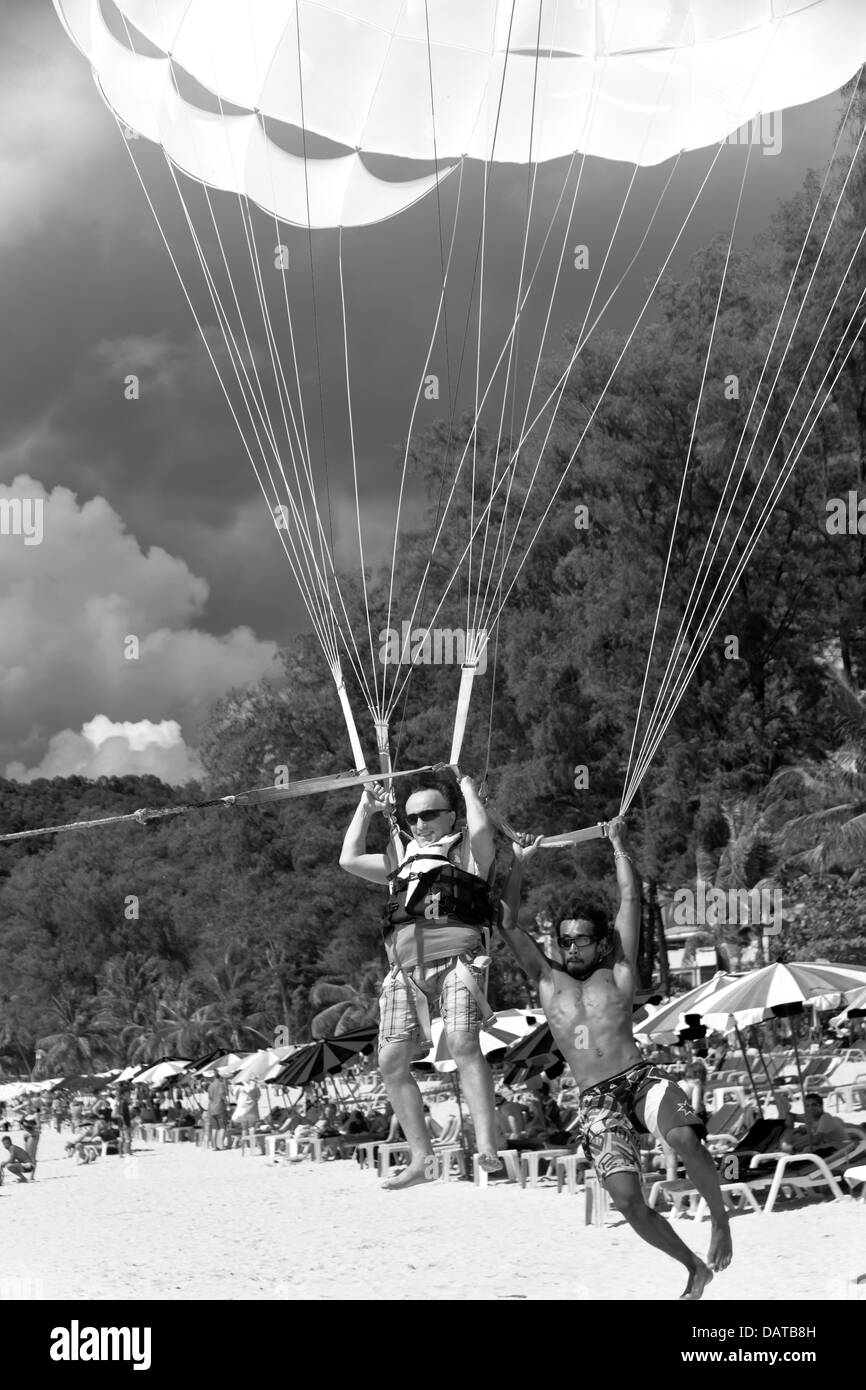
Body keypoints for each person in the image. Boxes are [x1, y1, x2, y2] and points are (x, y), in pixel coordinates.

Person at [499, 820, 732, 1301]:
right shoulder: (546, 980)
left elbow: (630, 901)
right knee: (627, 1200)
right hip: (596, 1101)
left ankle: (721, 1223)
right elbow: (506, 922)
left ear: (600, 942)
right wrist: (519, 866)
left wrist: (618, 845)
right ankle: (693, 1268)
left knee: (685, 1136)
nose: (572, 948)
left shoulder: (619, 970)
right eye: (565, 940)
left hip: (639, 1079)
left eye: (581, 940)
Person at [339, 768, 501, 1189]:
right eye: (412, 818)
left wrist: (466, 786)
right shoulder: (400, 861)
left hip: (458, 958)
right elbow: (349, 859)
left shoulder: (466, 853)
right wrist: (366, 807)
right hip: (405, 971)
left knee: (464, 1043)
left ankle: (486, 1144)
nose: (420, 824)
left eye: (429, 814)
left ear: (451, 817)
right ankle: (421, 1157)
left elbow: (482, 828)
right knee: (390, 1060)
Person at [780, 1092, 849, 1156]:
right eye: (807, 1106)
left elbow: (816, 1140)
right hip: (827, 1144)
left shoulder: (825, 1117)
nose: (811, 1108)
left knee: (807, 1149)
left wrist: (793, 1148)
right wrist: (790, 1128)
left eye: (814, 1105)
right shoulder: (810, 1116)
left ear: (821, 1106)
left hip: (840, 1146)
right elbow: (791, 1116)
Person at [205, 1073, 229, 1150]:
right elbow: (222, 1095)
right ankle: (221, 1145)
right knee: (222, 1127)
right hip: (220, 1107)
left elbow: (210, 1097)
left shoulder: (210, 1085)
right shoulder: (221, 1084)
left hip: (211, 1108)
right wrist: (226, 1102)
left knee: (214, 1128)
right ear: (220, 1077)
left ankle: (214, 1146)